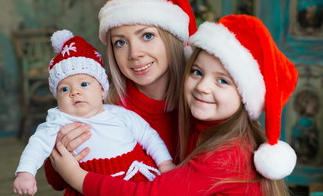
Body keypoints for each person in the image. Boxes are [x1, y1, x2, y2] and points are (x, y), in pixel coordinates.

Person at [50, 15, 299, 196]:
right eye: (198, 72)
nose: (203, 87)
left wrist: (78, 177)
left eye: (222, 80)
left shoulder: (225, 152)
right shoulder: (104, 108)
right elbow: (58, 177)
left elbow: (151, 193)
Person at [44, 0, 198, 190]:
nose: (134, 53)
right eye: (120, 42)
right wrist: (60, 149)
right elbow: (58, 182)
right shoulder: (103, 106)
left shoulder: (201, 104)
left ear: (173, 38)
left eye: (147, 36)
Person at [13, 30, 175, 196]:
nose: (74, 92)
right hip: (87, 186)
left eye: (84, 84)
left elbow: (149, 137)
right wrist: (25, 173)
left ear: (102, 90)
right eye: (64, 88)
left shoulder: (120, 114)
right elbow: (36, 146)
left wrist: (165, 163)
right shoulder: (58, 122)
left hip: (135, 177)